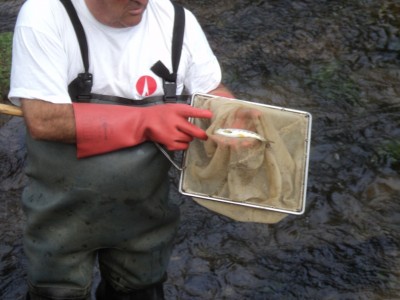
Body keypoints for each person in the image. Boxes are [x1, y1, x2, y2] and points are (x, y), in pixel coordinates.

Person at [8, 0, 234, 299]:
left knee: (138, 290)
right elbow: (43, 120)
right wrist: (146, 121)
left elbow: (212, 92)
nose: (142, 1)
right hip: (59, 220)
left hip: (144, 218)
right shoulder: (45, 14)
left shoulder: (179, 22)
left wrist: (230, 114)